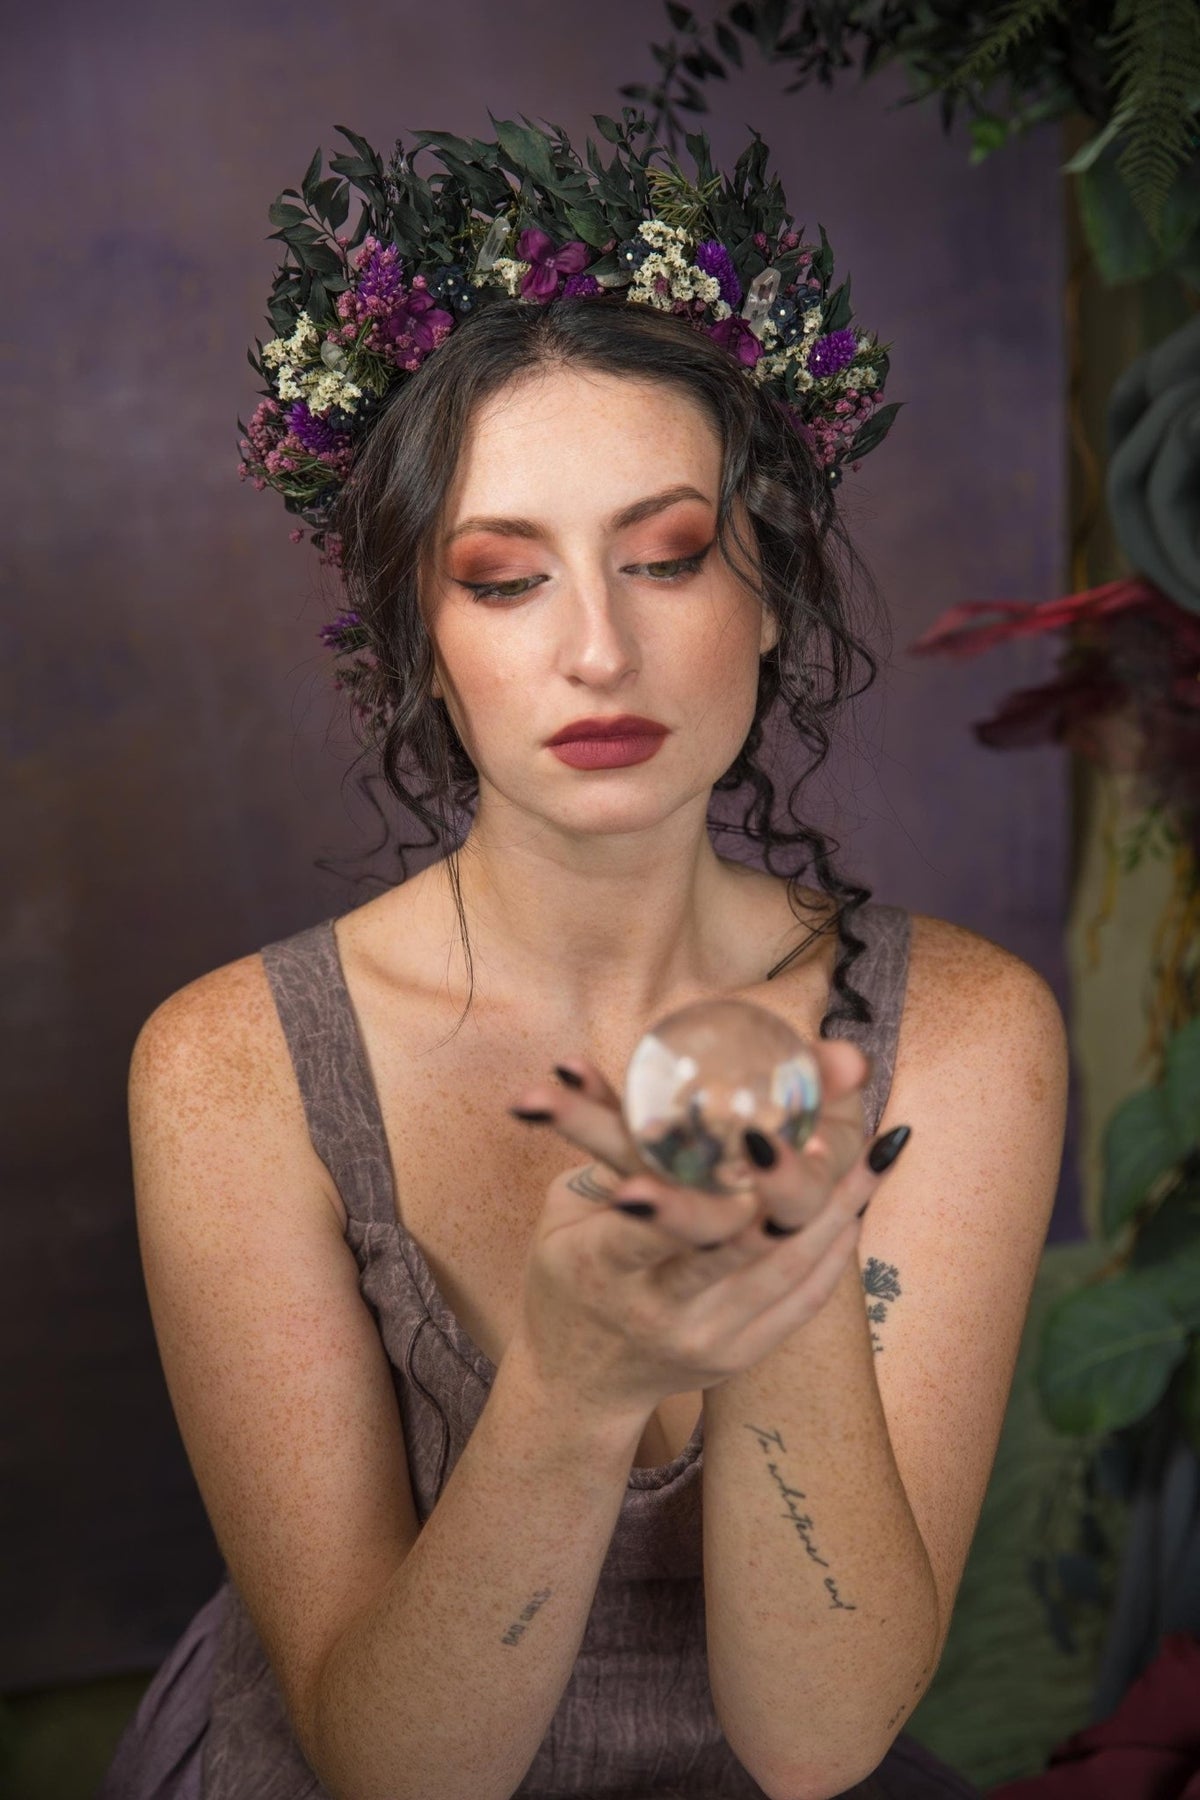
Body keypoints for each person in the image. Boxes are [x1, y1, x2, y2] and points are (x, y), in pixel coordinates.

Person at [96, 117, 1069, 1800]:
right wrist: (571, 1380)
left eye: (667, 557)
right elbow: (395, 1766)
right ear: (419, 637)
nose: (599, 649)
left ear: (772, 593)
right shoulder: (229, 1066)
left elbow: (816, 1742)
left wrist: (785, 1296)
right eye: (503, 580)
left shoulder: (967, 1036)